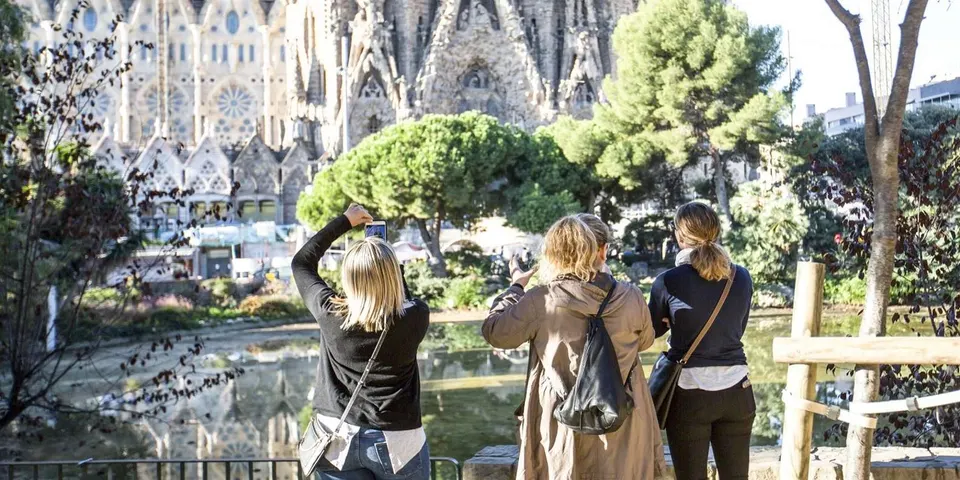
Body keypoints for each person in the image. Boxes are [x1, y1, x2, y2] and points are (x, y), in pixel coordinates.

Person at [482, 215, 665, 480]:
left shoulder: (542, 299)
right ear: (601, 251)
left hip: (562, 420)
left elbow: (496, 333)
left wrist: (516, 287)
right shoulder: (631, 296)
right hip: (621, 418)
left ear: (553, 255)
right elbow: (645, 341)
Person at [292, 204, 431, 480]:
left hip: (336, 439)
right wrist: (386, 265)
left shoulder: (329, 312)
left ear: (348, 276)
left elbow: (302, 262)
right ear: (394, 273)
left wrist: (345, 221)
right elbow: (401, 299)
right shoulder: (415, 316)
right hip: (398, 441)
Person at [648, 202, 755, 480]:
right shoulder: (741, 276)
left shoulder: (668, 281)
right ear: (716, 233)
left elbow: (651, 332)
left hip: (689, 393)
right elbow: (736, 329)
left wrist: (674, 322)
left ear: (679, 236)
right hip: (737, 391)